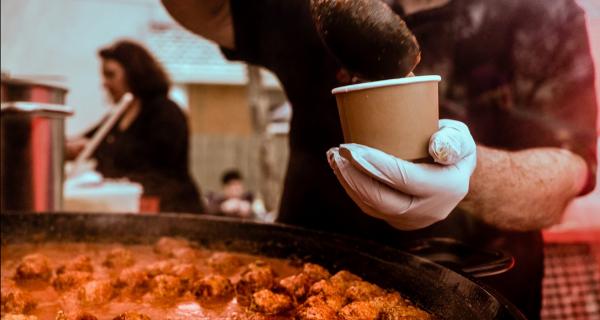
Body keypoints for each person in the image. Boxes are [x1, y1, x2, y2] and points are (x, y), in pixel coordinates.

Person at [161, 0, 598, 318]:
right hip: (300, 292)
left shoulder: (542, 14)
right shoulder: (301, 8)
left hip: (478, 298)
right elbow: (203, 10)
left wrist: (471, 172)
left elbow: (570, 171)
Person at [67, 40, 204, 213]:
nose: (104, 83)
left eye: (110, 75)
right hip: (134, 210)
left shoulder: (166, 112)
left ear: (133, 73)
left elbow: (161, 172)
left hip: (172, 210)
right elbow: (86, 142)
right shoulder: (117, 116)